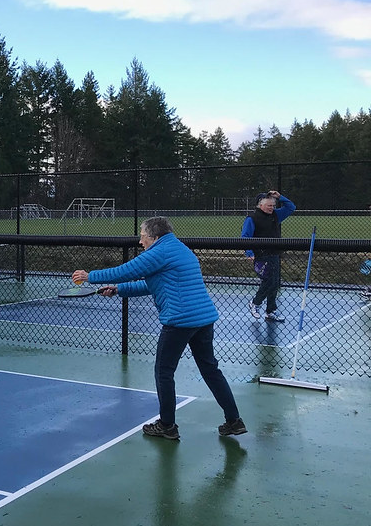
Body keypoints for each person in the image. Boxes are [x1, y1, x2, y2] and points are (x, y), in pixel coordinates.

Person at [72, 216, 246, 441]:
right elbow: (151, 284)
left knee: (164, 371)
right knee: (210, 370)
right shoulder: (178, 248)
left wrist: (90, 276)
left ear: (154, 236)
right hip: (203, 319)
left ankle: (167, 425)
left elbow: (127, 270)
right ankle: (234, 421)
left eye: (142, 236)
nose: (140, 241)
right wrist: (118, 290)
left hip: (180, 321)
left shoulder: (159, 252)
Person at [240, 189, 296, 322]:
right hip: (261, 256)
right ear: (260, 205)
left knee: (275, 283)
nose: (272, 208)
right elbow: (245, 237)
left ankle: (270, 311)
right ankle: (255, 303)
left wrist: (280, 197)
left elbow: (291, 207)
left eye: (273, 205)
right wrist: (249, 253)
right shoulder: (252, 218)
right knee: (268, 281)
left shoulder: (276, 215)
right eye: (269, 205)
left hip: (274, 255)